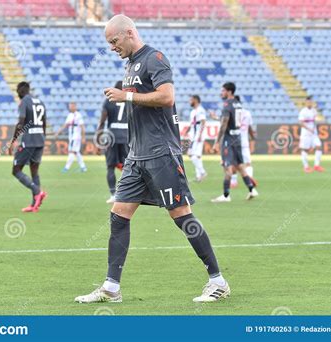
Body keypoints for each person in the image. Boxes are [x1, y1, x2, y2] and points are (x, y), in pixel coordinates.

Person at [75, 14, 230, 304]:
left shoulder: (155, 58)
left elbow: (167, 96)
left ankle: (218, 280)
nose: (111, 47)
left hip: (161, 153)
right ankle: (111, 287)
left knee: (181, 216)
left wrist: (127, 97)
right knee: (119, 215)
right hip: (137, 155)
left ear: (129, 33)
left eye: (114, 41)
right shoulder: (130, 65)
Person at [211, 83, 258, 203]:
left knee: (227, 167)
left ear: (229, 92)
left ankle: (226, 196)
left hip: (229, 139)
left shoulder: (227, 105)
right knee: (240, 166)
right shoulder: (238, 104)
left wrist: (217, 142)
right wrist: (217, 118)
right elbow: (230, 119)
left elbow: (224, 124)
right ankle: (251, 189)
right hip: (238, 137)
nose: (221, 93)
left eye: (223, 91)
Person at [8, 82, 47, 212]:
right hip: (39, 140)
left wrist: (13, 140)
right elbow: (44, 123)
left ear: (20, 90)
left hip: (29, 141)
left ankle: (37, 191)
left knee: (16, 170)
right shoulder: (40, 102)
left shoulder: (24, 101)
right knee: (34, 170)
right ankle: (35, 204)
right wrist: (42, 138)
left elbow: (21, 121)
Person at [97, 80, 129, 203]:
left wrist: (99, 142)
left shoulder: (109, 101)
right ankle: (127, 192)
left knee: (110, 167)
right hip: (126, 135)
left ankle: (113, 194)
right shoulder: (128, 101)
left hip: (112, 136)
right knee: (128, 166)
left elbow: (102, 122)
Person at [230, 95, 256, 188]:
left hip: (234, 141)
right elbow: (249, 128)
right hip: (244, 142)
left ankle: (233, 181)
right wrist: (253, 138)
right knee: (248, 162)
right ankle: (250, 178)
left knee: (234, 162)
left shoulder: (231, 112)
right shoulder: (247, 113)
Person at [55, 102, 87, 172]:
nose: (70, 107)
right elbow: (65, 125)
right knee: (76, 152)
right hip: (71, 136)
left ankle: (66, 168)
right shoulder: (70, 115)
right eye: (70, 106)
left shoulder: (78, 115)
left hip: (76, 137)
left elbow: (82, 127)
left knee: (72, 152)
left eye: (71, 106)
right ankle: (83, 167)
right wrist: (58, 132)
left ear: (75, 106)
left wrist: (83, 137)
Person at [182, 95, 207, 182]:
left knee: (191, 154)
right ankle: (199, 176)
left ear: (195, 100)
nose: (189, 102)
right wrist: (187, 131)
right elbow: (192, 124)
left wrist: (200, 135)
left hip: (198, 136)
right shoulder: (193, 112)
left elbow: (203, 122)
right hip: (193, 136)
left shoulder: (200, 110)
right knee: (197, 156)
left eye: (191, 100)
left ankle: (202, 172)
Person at [299, 96, 324, 173]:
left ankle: (316, 165)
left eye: (310, 102)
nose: (309, 103)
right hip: (306, 134)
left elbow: (314, 120)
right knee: (305, 150)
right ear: (306, 103)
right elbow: (300, 123)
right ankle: (306, 167)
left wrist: (314, 127)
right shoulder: (303, 111)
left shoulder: (314, 111)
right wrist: (309, 129)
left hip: (314, 134)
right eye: (308, 102)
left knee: (319, 146)